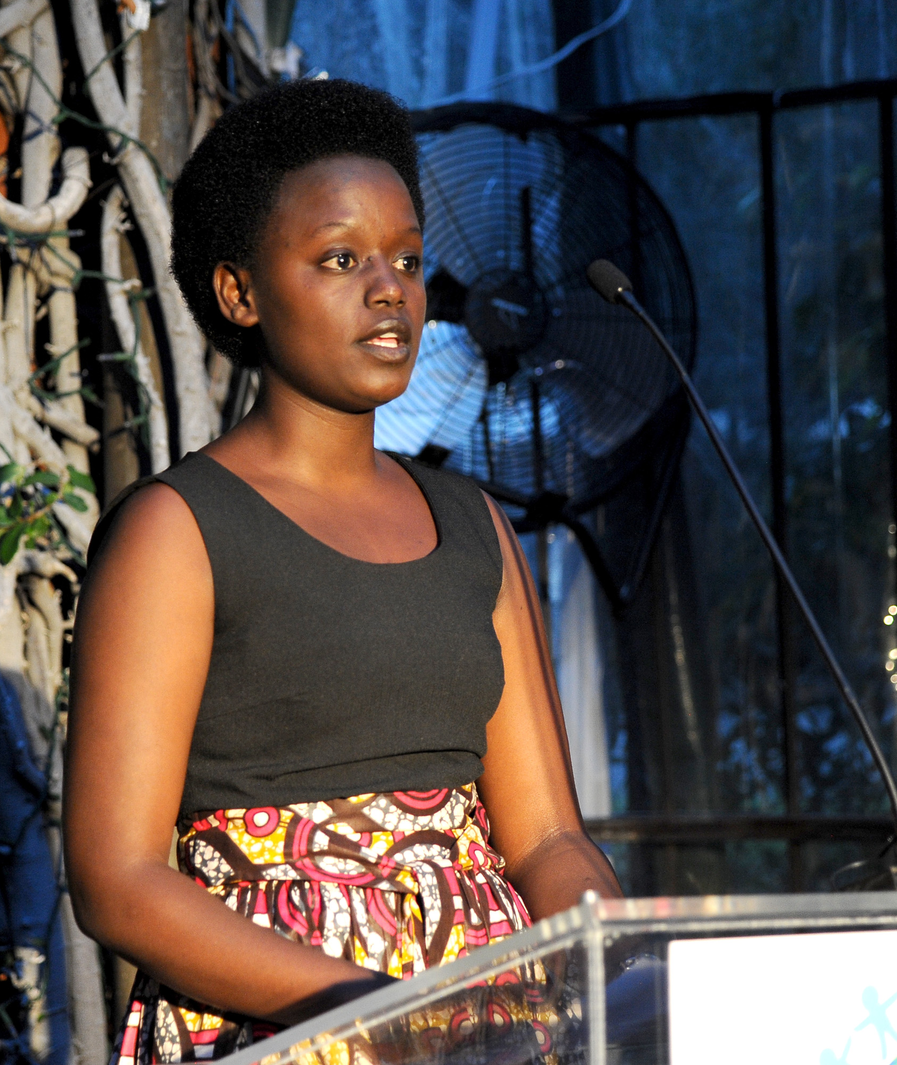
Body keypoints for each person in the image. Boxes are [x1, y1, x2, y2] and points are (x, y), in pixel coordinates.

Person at [63, 78, 622, 1065]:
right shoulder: (176, 531)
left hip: (488, 1032)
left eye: (408, 259)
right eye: (339, 258)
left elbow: (545, 840)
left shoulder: (473, 523)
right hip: (284, 1026)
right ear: (239, 291)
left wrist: (612, 960)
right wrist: (376, 1008)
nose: (389, 290)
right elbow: (117, 878)